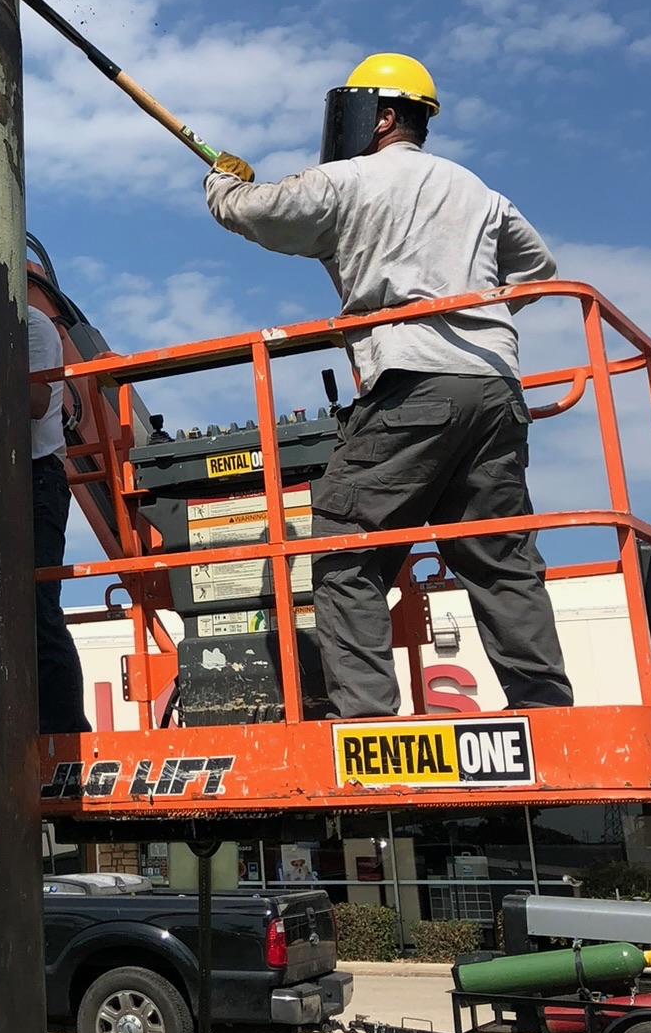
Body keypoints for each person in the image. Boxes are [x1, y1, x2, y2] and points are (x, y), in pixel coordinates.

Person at [202, 53, 573, 720]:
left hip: (413, 383)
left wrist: (222, 183)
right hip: (495, 388)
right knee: (499, 556)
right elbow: (538, 270)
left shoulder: (351, 180)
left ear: (382, 118)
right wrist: (474, 314)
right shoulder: (477, 191)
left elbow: (262, 210)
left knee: (343, 542)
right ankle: (548, 712)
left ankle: (367, 720)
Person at [29, 300, 91, 734]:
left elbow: (34, 401)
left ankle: (66, 732)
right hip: (11, 478)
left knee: (38, 605)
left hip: (38, 479)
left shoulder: (31, 326)